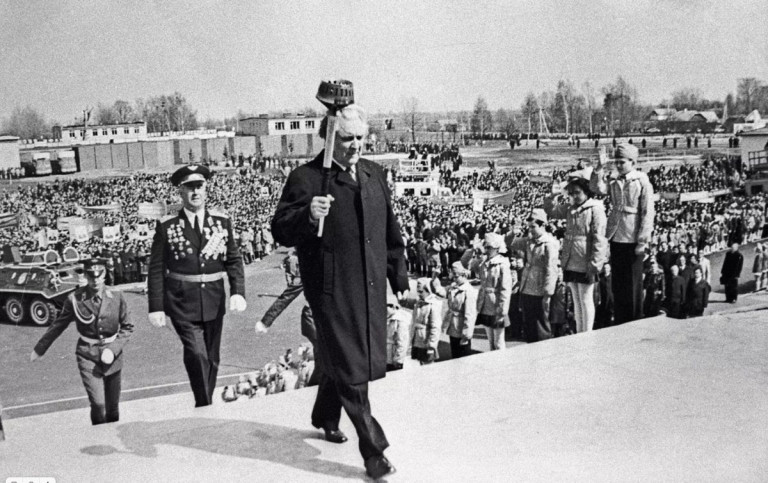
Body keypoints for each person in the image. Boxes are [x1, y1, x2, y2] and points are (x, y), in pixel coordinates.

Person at [270, 103, 408, 480]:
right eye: (347, 139)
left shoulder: (373, 173)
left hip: (369, 286)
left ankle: (325, 415)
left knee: (342, 359)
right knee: (351, 367)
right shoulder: (307, 178)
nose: (356, 145)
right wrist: (307, 214)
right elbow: (280, 229)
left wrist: (399, 279)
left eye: (361, 137)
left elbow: (389, 231)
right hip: (330, 290)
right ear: (329, 137)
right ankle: (374, 452)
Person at [147, 164, 247, 408]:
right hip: (181, 301)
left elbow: (233, 259)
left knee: (212, 357)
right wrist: (156, 306)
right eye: (190, 187)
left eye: (199, 186)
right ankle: (204, 403)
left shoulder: (221, 222)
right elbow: (157, 268)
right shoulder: (168, 225)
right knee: (196, 352)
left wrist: (238, 291)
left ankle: (205, 401)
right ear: (180, 191)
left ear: (206, 189)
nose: (195, 192)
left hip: (213, 298)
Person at [30, 259, 133, 425]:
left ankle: (111, 437)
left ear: (104, 275)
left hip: (113, 356)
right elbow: (58, 325)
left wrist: (113, 349)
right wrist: (39, 349)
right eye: (91, 276)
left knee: (112, 408)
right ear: (85, 275)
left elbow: (128, 327)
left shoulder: (117, 296)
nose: (95, 280)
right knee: (98, 404)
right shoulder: (75, 299)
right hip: (87, 355)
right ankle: (98, 434)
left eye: (98, 276)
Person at [590, 143, 655, 324]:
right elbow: (596, 189)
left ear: (633, 162)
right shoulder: (614, 179)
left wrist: (642, 241)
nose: (618, 165)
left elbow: (647, 212)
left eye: (622, 162)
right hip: (616, 235)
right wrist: (599, 167)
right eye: (616, 162)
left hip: (633, 237)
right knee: (618, 282)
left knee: (633, 283)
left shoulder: (641, 181)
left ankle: (634, 320)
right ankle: (620, 320)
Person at [543, 170, 608, 333]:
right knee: (576, 300)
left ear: (586, 191)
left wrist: (596, 263)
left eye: (577, 192)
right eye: (571, 193)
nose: (574, 196)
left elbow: (600, 238)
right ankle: (580, 332)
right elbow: (551, 211)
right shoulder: (570, 208)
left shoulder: (595, 209)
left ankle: (587, 333)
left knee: (586, 299)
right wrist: (552, 196)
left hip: (586, 260)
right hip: (570, 259)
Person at [511, 209, 559, 342]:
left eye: (533, 227)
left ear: (542, 225)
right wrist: (513, 231)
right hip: (527, 287)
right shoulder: (529, 240)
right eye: (529, 227)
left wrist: (548, 292)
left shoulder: (549, 243)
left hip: (540, 288)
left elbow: (551, 269)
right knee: (529, 325)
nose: (530, 230)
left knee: (541, 326)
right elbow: (511, 243)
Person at [475, 233, 513, 350]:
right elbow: (466, 263)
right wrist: (474, 250)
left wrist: (503, 309)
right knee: (490, 341)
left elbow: (506, 288)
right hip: (485, 304)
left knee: (499, 342)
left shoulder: (502, 264)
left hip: (496, 304)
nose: (487, 250)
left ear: (497, 248)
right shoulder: (483, 262)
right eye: (485, 247)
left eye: (489, 247)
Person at [442, 261, 478, 358]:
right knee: (454, 355)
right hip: (453, 327)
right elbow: (440, 292)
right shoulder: (453, 287)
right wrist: (434, 278)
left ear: (464, 275)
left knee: (464, 357)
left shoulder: (469, 291)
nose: (454, 279)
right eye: (453, 276)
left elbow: (470, 315)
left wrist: (466, 334)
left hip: (462, 329)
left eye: (456, 276)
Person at [408, 278, 442, 364]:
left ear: (428, 291)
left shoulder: (433, 305)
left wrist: (431, 346)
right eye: (418, 292)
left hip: (426, 341)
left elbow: (435, 327)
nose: (419, 294)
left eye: (421, 292)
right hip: (417, 340)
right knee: (419, 364)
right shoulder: (419, 303)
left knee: (428, 366)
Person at [385, 294, 411, 371]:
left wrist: (398, 360)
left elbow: (402, 342)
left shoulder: (400, 321)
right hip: (386, 358)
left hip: (394, 359)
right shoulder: (388, 318)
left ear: (393, 307)